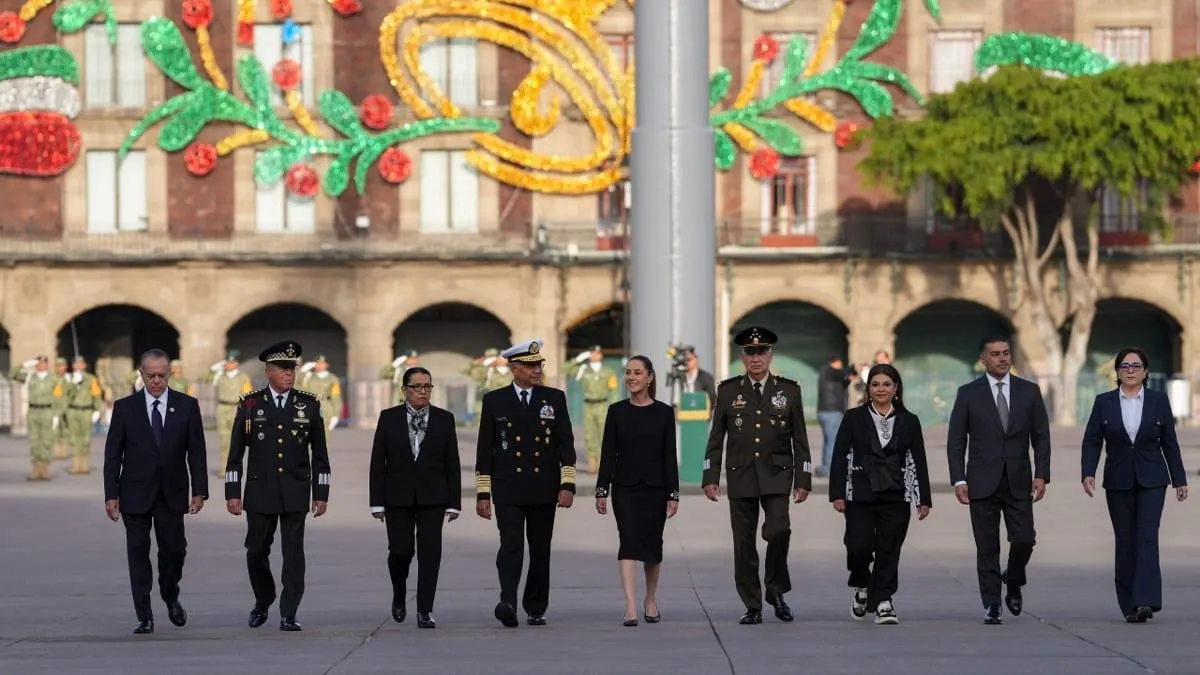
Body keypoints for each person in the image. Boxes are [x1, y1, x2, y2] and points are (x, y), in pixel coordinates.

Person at [702, 326, 811, 625]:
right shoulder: (727, 390)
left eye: (761, 352)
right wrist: (710, 476)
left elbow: (800, 440)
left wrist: (803, 480)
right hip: (741, 475)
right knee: (744, 544)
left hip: (777, 474)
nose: (756, 358)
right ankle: (752, 604)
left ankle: (775, 590)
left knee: (779, 531)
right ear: (742, 356)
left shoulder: (789, 390)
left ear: (770, 354)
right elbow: (716, 438)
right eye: (750, 352)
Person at [225, 341, 331, 632]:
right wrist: (232, 493)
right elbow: (235, 455)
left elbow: (320, 456)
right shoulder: (250, 405)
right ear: (268, 371)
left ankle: (288, 612)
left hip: (296, 490)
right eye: (283, 369)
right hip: (260, 491)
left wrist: (321, 493)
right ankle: (264, 597)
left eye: (292, 368)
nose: (289, 374)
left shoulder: (309, 405)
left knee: (293, 553)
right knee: (256, 550)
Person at [947, 334, 1051, 625]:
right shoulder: (968, 394)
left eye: (1006, 353)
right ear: (983, 359)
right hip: (981, 481)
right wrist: (958, 479)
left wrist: (1042, 474)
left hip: (1019, 480)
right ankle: (992, 604)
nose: (1002, 358)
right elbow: (956, 440)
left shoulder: (1029, 392)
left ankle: (1014, 578)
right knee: (987, 546)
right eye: (995, 354)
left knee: (1025, 540)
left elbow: (1041, 437)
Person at [102, 348, 208, 634]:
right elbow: (113, 454)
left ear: (170, 375)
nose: (157, 381)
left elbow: (196, 452)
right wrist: (111, 494)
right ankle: (144, 614)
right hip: (134, 493)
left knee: (174, 550)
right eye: (151, 376)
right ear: (141, 375)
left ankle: (170, 593)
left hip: (171, 493)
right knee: (138, 553)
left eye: (162, 375)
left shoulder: (187, 406)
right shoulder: (125, 408)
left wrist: (200, 490)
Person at [475, 338, 577, 628]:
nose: (537, 370)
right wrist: (483, 492)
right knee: (510, 545)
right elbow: (485, 449)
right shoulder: (494, 401)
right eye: (531, 366)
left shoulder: (553, 398)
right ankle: (507, 601)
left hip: (544, 487)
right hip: (508, 487)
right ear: (514, 368)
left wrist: (567, 485)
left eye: (539, 365)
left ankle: (535, 605)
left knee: (540, 548)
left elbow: (565, 445)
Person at [1081, 347, 1188, 623]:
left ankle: (1146, 600)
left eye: (1136, 365)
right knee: (1126, 540)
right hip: (1118, 479)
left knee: (1147, 536)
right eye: (1125, 366)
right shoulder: (1104, 402)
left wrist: (1179, 479)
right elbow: (1092, 439)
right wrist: (1088, 472)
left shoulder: (1158, 401)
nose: (1130, 370)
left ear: (1146, 371)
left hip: (1153, 478)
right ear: (1117, 372)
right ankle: (1129, 604)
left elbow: (1170, 442)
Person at [829, 364, 932, 625]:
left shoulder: (910, 421)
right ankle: (862, 584)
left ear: (896, 389)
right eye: (875, 384)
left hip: (896, 493)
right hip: (860, 493)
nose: (881, 389)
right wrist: (837, 493)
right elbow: (840, 455)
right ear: (868, 389)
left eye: (887, 384)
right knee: (858, 546)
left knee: (889, 548)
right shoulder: (853, 417)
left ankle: (884, 601)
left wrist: (923, 498)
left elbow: (917, 460)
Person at [369, 366, 462, 629]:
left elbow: (452, 462)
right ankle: (399, 593)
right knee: (401, 551)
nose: (422, 392)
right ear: (405, 390)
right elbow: (378, 462)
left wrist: (454, 502)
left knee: (431, 553)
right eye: (417, 387)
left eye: (427, 387)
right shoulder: (389, 418)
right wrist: (377, 501)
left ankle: (425, 609)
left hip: (433, 496)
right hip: (397, 496)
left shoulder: (444, 419)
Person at [594, 355, 680, 626]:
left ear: (650, 377)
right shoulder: (616, 411)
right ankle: (630, 605)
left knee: (653, 547)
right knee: (628, 542)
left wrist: (673, 493)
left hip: (655, 488)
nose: (631, 377)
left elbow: (669, 456)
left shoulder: (664, 412)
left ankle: (650, 599)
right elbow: (608, 453)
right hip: (624, 488)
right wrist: (601, 490)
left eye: (637, 373)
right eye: (628, 373)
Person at [576, 346, 619, 473]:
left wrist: (615, 408)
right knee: (589, 434)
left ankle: (603, 462)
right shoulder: (584, 370)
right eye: (592, 353)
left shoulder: (608, 372)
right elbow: (567, 369)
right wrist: (579, 359)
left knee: (604, 434)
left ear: (601, 355)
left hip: (602, 405)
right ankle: (592, 462)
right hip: (588, 405)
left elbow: (614, 390)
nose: (594, 355)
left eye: (597, 353)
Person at [816, 354, 855, 477]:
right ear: (835, 362)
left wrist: (849, 378)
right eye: (840, 364)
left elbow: (841, 385)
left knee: (829, 441)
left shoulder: (829, 375)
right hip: (831, 412)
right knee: (832, 441)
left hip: (829, 411)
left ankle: (825, 467)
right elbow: (840, 374)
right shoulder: (828, 371)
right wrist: (851, 367)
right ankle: (828, 468)